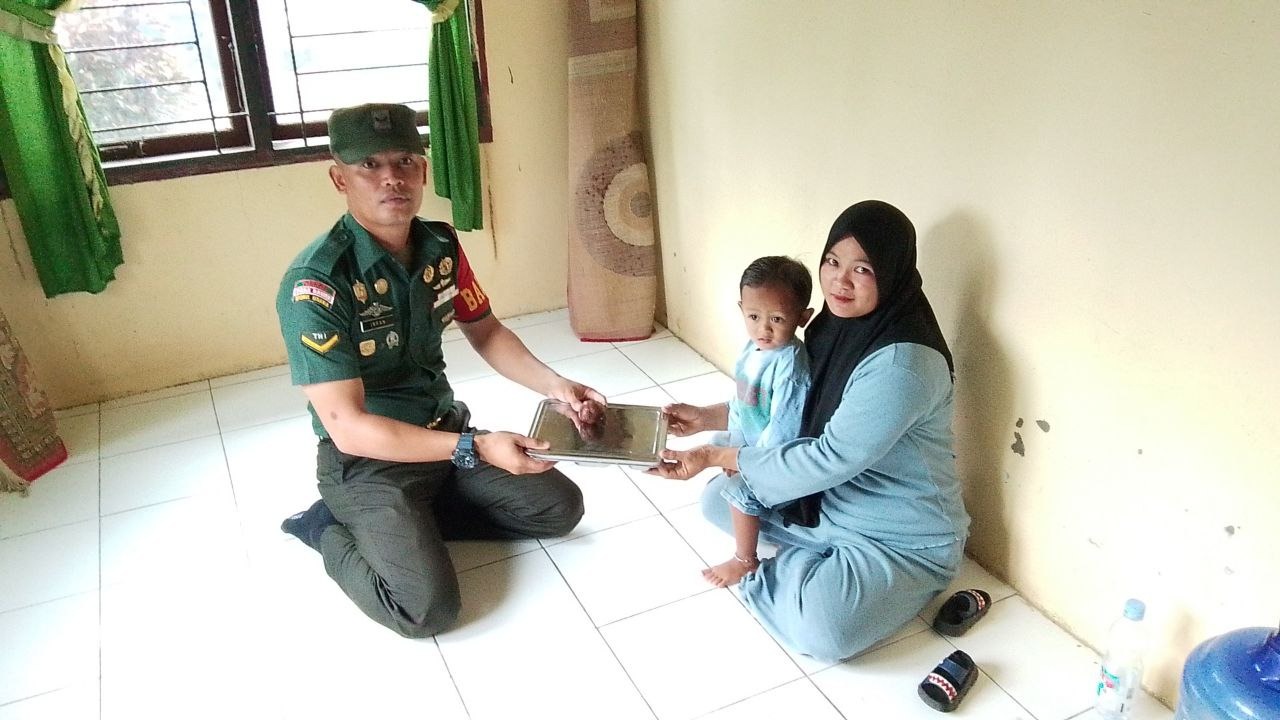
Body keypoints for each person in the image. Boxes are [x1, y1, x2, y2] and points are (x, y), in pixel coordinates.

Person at [274, 103, 604, 638]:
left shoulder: (441, 246)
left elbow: (486, 331)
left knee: (558, 509)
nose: (391, 178)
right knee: (423, 610)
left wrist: (557, 386)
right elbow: (348, 426)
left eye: (404, 161)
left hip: (443, 434)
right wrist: (476, 448)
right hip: (369, 462)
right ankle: (327, 525)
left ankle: (416, 520)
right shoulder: (318, 283)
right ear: (340, 179)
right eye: (369, 166)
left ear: (423, 170)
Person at [651, 200, 969, 662]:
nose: (840, 281)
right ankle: (815, 567)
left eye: (863, 269)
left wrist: (714, 455)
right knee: (717, 502)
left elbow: (828, 458)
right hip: (830, 501)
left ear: (891, 273)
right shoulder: (832, 326)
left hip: (896, 533)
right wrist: (705, 418)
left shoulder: (903, 364)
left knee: (825, 632)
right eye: (833, 262)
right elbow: (787, 408)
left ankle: (808, 573)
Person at [666, 256, 813, 588]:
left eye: (777, 319)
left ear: (802, 318)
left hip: (773, 455)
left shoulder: (790, 367)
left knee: (740, 491)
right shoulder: (753, 349)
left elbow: (783, 433)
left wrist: (743, 462)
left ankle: (746, 559)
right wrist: (707, 423)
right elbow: (744, 404)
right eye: (754, 316)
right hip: (749, 440)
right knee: (717, 445)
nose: (764, 329)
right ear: (741, 309)